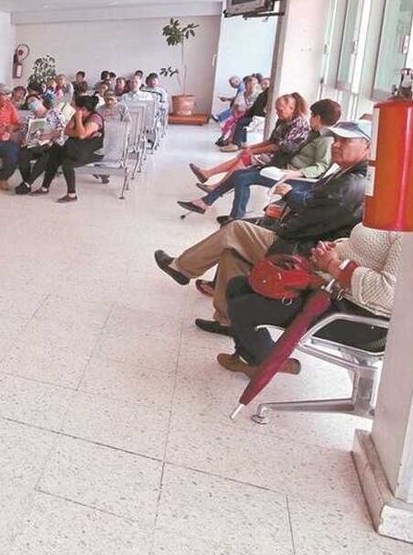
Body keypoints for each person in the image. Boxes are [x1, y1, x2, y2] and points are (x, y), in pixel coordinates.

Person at [154, 121, 372, 334]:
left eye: (345, 141)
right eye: (336, 139)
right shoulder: (345, 174)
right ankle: (227, 320)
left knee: (235, 229)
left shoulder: (351, 184)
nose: (336, 144)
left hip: (304, 253)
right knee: (232, 252)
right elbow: (313, 213)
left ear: (367, 147)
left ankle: (182, 268)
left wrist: (277, 226)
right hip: (301, 241)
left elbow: (310, 224)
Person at [219, 223, 400, 377]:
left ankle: (265, 362)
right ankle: (256, 359)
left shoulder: (407, 236)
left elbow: (386, 293)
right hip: (329, 291)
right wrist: (331, 250)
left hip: (355, 318)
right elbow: (363, 249)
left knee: (243, 309)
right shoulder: (384, 214)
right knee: (238, 286)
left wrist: (333, 265)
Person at [180, 99, 340, 220]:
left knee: (241, 177)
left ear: (318, 117)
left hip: (291, 177)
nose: (309, 118)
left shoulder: (326, 140)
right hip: (283, 168)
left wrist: (296, 173)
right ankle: (215, 206)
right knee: (239, 174)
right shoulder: (316, 134)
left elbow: (321, 166)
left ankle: (232, 216)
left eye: (312, 115)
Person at [35, 94, 106, 203]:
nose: (73, 109)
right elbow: (67, 130)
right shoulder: (77, 115)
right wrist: (77, 130)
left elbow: (82, 135)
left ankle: (72, 194)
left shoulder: (95, 118)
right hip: (78, 149)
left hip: (93, 152)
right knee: (53, 154)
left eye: (76, 107)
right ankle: (44, 188)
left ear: (82, 109)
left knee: (67, 164)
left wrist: (78, 119)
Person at [15, 94, 66, 194]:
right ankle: (26, 183)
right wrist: (25, 139)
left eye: (33, 100)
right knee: (23, 154)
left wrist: (50, 135)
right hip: (35, 145)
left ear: (41, 100)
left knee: (48, 155)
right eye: (29, 103)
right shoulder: (29, 118)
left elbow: (63, 131)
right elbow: (24, 134)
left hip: (52, 144)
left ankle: (27, 183)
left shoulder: (55, 113)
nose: (31, 104)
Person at [218, 76, 259, 148]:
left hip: (250, 115)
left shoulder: (258, 95)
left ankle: (234, 142)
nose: (251, 86)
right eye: (249, 85)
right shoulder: (241, 94)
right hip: (239, 114)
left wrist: (239, 116)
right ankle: (227, 139)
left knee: (238, 123)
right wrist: (235, 115)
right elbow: (235, 107)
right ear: (245, 85)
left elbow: (252, 109)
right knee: (229, 122)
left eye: (254, 84)